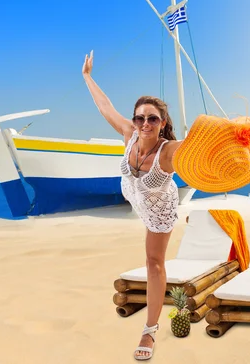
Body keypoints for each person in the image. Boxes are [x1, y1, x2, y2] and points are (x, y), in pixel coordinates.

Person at [82, 50, 183, 361]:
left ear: (163, 122)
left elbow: (204, 145)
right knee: (150, 261)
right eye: (140, 117)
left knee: (154, 263)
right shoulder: (129, 134)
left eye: (152, 118)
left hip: (158, 209)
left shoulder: (170, 151)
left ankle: (149, 330)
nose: (145, 123)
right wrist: (87, 76)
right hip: (134, 196)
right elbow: (105, 107)